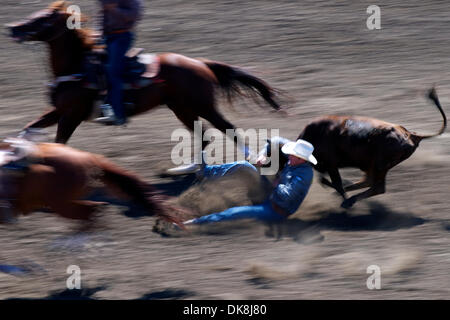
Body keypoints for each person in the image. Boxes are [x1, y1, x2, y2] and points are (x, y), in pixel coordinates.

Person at [183, 138, 317, 226]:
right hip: (270, 194)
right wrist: (262, 155)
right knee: (244, 166)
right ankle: (206, 172)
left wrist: (278, 183)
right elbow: (274, 141)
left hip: (275, 210)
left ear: (302, 159)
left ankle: (195, 224)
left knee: (234, 213)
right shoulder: (295, 160)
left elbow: (288, 196)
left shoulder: (303, 176)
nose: (290, 156)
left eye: (293, 155)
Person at [94, 0, 142, 126]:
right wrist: (98, 33)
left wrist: (113, 9)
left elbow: (134, 15)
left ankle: (117, 114)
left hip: (122, 37)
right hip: (106, 37)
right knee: (93, 65)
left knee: (113, 72)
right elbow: (103, 16)